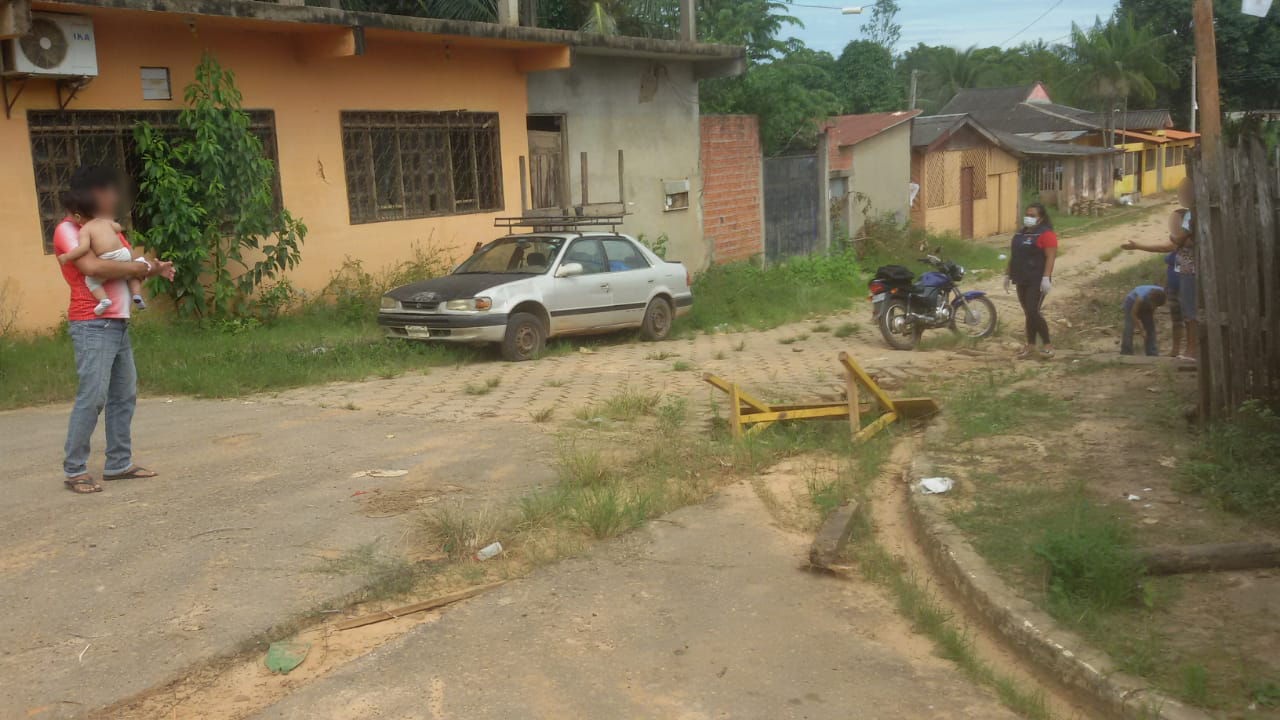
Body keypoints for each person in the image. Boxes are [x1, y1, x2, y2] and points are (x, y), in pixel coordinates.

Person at [54, 166, 175, 494]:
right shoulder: (67, 229)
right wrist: (139, 267)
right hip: (92, 323)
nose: (114, 197)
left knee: (124, 394)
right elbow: (94, 266)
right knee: (93, 396)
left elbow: (127, 260)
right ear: (91, 193)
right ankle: (75, 470)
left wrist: (152, 267)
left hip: (118, 322)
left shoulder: (105, 226)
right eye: (107, 191)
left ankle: (118, 463)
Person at [1121, 178, 1196, 360]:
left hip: (1190, 275)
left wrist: (1175, 238)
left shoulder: (1193, 219)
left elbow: (1172, 244)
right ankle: (1178, 351)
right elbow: (1167, 248)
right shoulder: (1188, 224)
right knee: (1183, 317)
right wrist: (1138, 245)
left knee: (1190, 314)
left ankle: (1191, 350)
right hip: (1179, 281)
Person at [57, 212, 148, 316]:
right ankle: (136, 294)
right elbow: (118, 228)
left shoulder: (85, 230)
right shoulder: (105, 221)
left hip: (108, 258)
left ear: (78, 217)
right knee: (132, 272)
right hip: (123, 254)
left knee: (91, 281)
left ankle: (104, 300)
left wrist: (67, 256)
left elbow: (83, 248)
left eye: (71, 216)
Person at [1003, 202, 1058, 359]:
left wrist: (1046, 278)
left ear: (1041, 218)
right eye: (1027, 215)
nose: (1028, 218)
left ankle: (1047, 345)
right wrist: (1007, 274)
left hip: (1037, 279)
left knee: (1033, 310)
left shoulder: (1046, 234)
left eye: (1033, 216)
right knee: (1028, 313)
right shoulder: (1020, 234)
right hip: (1021, 278)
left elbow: (1050, 256)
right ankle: (1031, 345)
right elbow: (1014, 256)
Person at [1121, 285, 1167, 356]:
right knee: (1129, 326)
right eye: (1152, 304)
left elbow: (1154, 307)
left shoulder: (1162, 294)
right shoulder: (1141, 298)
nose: (1153, 306)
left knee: (1150, 327)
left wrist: (1153, 316)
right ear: (1150, 299)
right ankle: (1126, 351)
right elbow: (1133, 314)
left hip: (1148, 301)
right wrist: (1141, 331)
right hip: (1131, 301)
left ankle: (1152, 352)